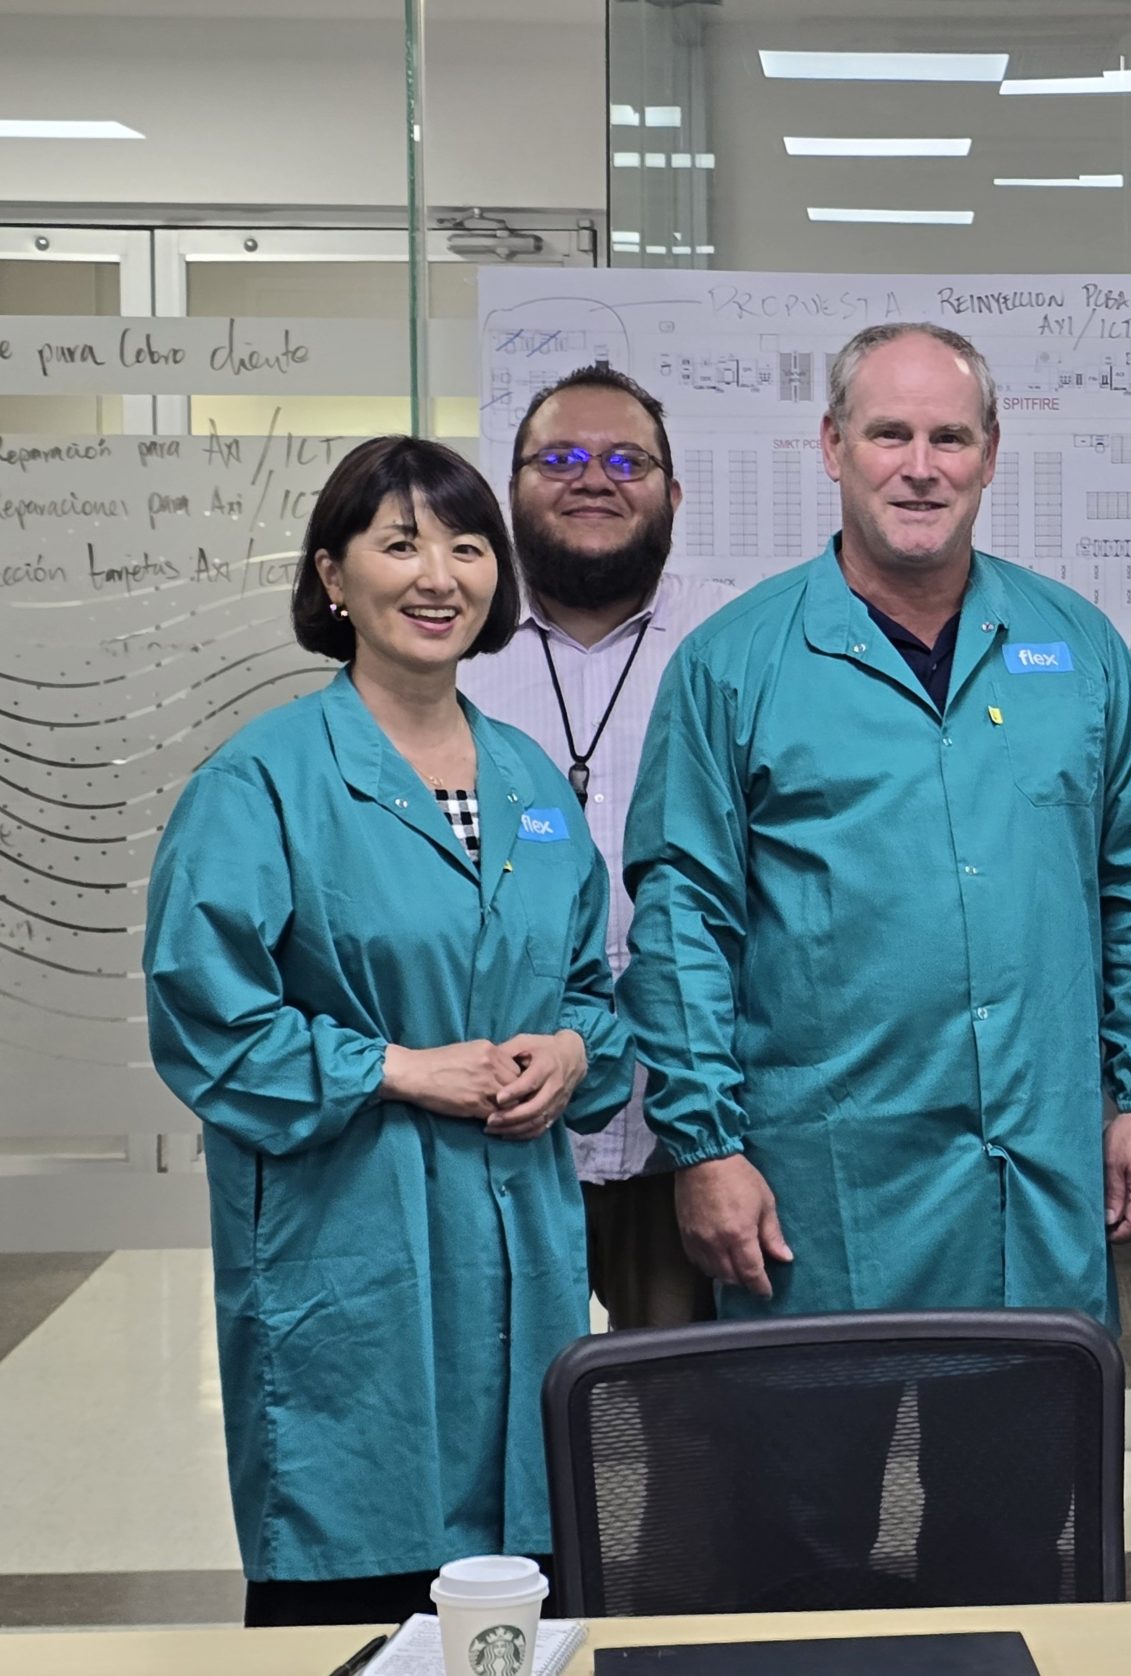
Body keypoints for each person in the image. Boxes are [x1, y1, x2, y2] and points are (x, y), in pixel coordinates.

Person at [618, 321, 1131, 1604]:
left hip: (1031, 1185)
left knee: (1009, 1545)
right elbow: (680, 921)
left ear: (992, 456)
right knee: (798, 1548)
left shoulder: (1074, 649)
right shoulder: (737, 663)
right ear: (831, 448)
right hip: (814, 1199)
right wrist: (705, 1144)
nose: (919, 464)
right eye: (889, 432)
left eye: (950, 436)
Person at [142, 436, 633, 1627]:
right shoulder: (261, 781)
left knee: (525, 1583)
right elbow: (205, 1018)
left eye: (467, 546)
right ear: (332, 577)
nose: (438, 575)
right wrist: (396, 1066)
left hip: (519, 1239)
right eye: (399, 541)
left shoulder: (531, 784)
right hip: (349, 1240)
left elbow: (591, 989)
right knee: (356, 1571)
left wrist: (572, 1051)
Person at [461, 361, 733, 1331]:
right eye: (561, 456)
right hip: (493, 1130)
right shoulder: (449, 652)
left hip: (693, 1137)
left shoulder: (734, 644)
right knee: (503, 1420)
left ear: (673, 491)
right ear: (512, 486)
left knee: (695, 1428)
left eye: (628, 458)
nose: (594, 477)